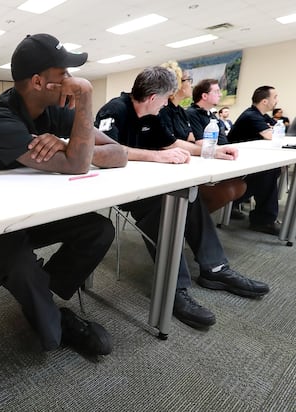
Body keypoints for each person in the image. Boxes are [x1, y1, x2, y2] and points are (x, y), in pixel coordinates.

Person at [0, 33, 127, 356]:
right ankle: (48, 309)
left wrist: (70, 145)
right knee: (50, 338)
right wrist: (87, 98)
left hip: (34, 214)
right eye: (63, 74)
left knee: (99, 230)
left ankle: (43, 293)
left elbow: (118, 153)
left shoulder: (56, 109)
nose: (72, 80)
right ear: (39, 82)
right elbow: (79, 165)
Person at [94, 66, 269, 330]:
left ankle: (216, 269)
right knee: (164, 207)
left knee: (189, 196)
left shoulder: (153, 115)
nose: (167, 104)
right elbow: (104, 150)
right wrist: (155, 156)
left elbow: (172, 143)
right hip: (123, 188)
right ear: (153, 97)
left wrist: (210, 150)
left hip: (151, 183)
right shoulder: (114, 110)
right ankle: (173, 288)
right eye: (165, 99)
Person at [184, 78, 246, 214]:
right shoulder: (192, 113)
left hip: (217, 158)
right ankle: (191, 219)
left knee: (241, 185)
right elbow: (201, 143)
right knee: (230, 190)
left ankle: (223, 209)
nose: (220, 94)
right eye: (216, 91)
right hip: (203, 164)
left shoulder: (211, 115)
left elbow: (223, 140)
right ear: (204, 96)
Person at [228, 86, 282, 235]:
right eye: (275, 97)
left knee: (272, 171)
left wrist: (273, 128)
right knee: (268, 174)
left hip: (249, 160)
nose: (277, 100)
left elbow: (279, 129)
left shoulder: (262, 115)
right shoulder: (251, 115)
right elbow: (272, 135)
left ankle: (234, 204)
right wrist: (272, 130)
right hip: (234, 162)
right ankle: (262, 220)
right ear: (265, 101)